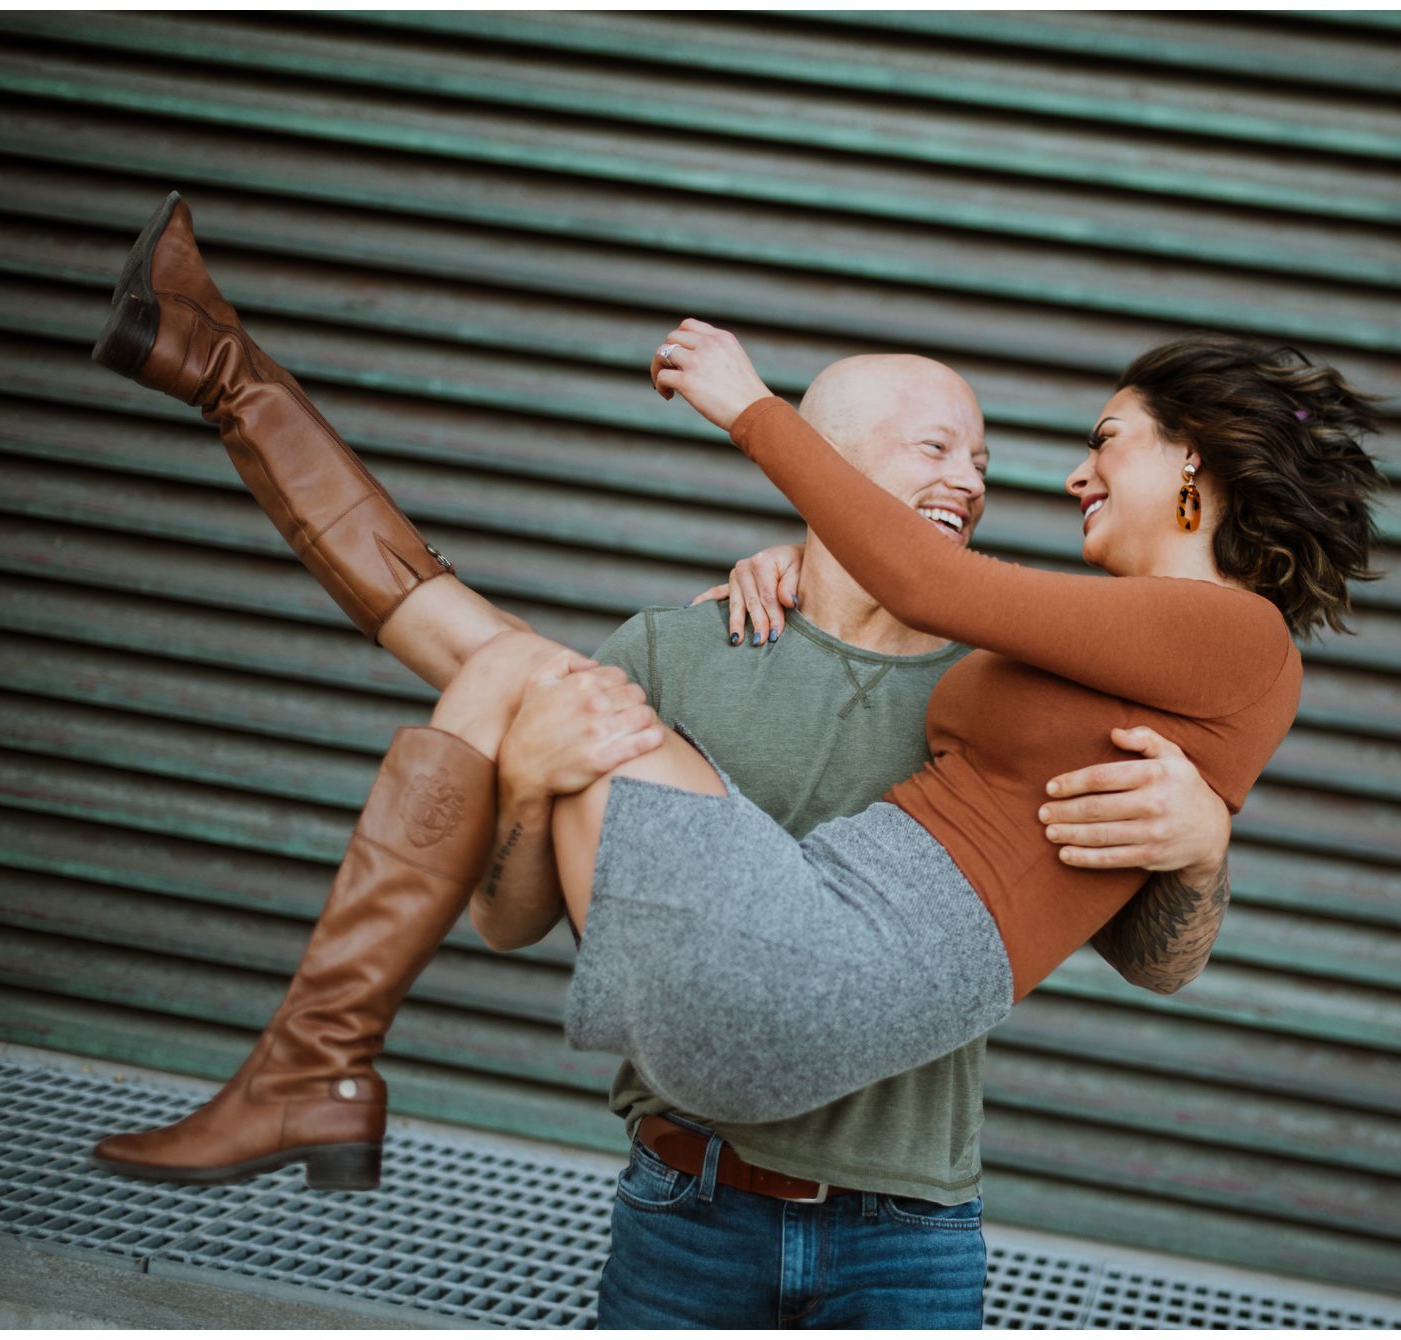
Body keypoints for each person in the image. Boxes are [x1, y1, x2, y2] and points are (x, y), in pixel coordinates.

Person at [83, 192, 1380, 1267]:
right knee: (496, 668)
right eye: (942, 448)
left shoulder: (1217, 635)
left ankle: (319, 1068)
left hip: (872, 1089)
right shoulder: (743, 637)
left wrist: (748, 408)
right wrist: (551, 766)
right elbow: (497, 857)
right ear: (845, 464)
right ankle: (220, 371)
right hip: (718, 1120)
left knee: (514, 670)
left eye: (1101, 442)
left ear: (1198, 466)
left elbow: (938, 595)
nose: (1027, 479)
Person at [483, 355, 1237, 1328]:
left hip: (908, 1234)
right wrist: (522, 782)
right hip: (687, 1200)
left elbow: (1157, 962)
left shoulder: (1021, 693)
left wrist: (1201, 847)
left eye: (982, 461)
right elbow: (509, 919)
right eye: (935, 446)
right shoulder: (674, 652)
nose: (970, 480)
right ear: (823, 457)